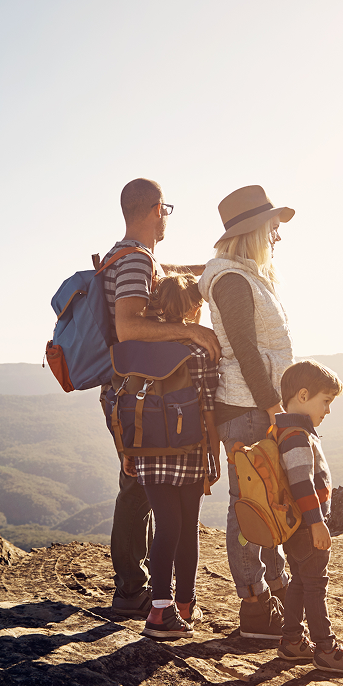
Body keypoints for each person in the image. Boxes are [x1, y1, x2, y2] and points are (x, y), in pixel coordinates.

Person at [102, 178, 221, 616]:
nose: (166, 216)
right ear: (156, 210)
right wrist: (190, 330)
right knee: (138, 490)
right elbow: (129, 327)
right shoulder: (134, 261)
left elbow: (163, 282)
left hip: (136, 392)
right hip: (139, 395)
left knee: (141, 486)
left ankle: (145, 591)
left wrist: (213, 270)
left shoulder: (134, 257)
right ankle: (135, 592)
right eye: (166, 209)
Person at [197, 185, 295, 639]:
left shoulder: (244, 275)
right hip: (247, 408)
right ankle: (255, 606)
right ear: (254, 230)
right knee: (250, 505)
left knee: (265, 500)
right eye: (273, 227)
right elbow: (246, 351)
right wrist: (274, 406)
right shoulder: (233, 280)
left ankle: (273, 591)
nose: (278, 236)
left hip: (254, 406)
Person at [124, 273, 221, 639]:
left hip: (148, 452)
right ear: (194, 308)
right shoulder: (198, 352)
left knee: (167, 526)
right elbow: (208, 408)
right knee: (185, 530)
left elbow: (128, 403)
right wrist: (215, 456)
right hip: (189, 452)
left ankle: (166, 607)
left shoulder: (139, 350)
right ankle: (173, 608)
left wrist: (126, 450)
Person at [274, 359, 343, 674]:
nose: (327, 410)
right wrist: (317, 523)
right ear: (303, 395)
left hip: (295, 527)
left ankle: (291, 641)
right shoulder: (296, 436)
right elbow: (301, 484)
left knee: (300, 582)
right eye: (325, 401)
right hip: (306, 526)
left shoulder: (287, 430)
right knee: (315, 586)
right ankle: (326, 648)